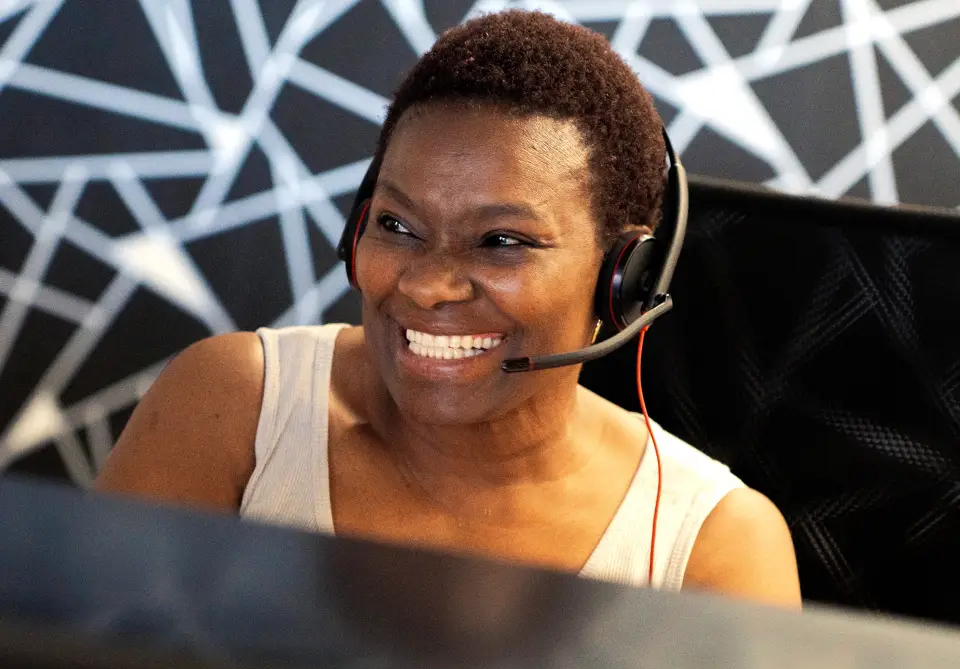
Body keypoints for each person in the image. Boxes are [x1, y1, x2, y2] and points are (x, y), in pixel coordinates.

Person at [95, 10, 801, 609]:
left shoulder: (714, 544)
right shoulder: (237, 407)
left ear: (623, 278)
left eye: (502, 242)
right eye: (398, 226)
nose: (429, 286)